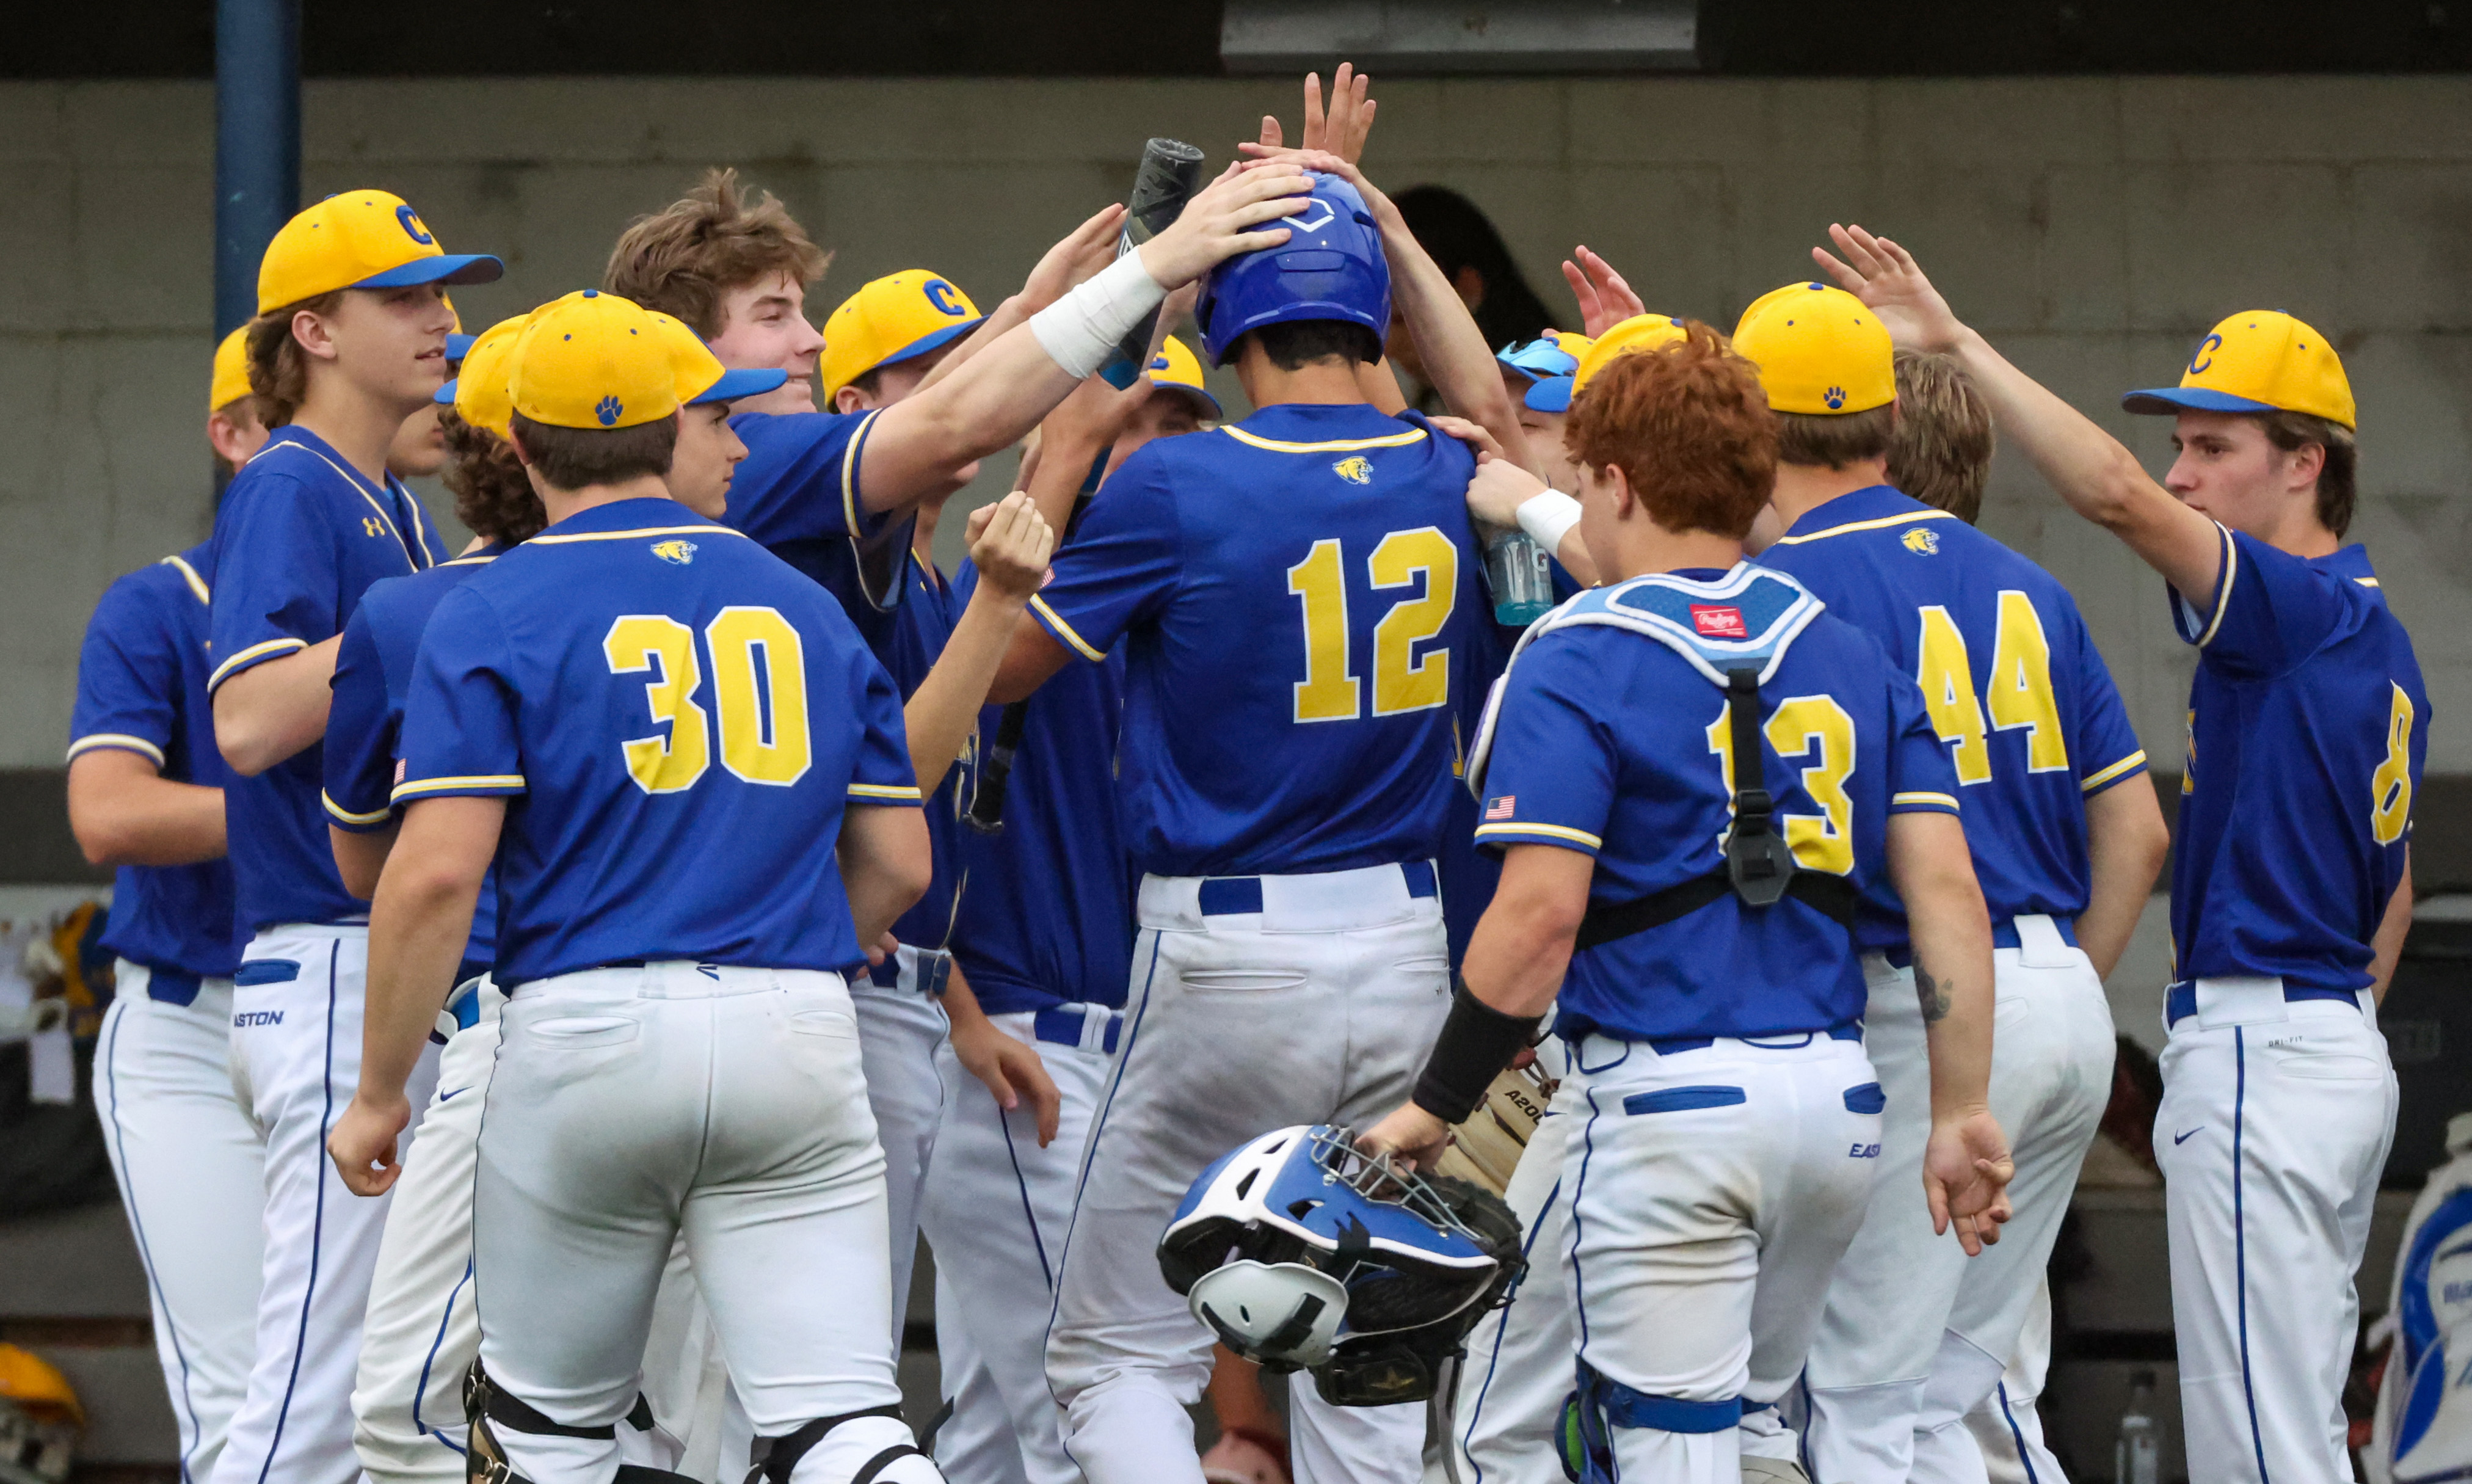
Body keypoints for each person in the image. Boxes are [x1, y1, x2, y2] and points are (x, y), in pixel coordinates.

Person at [1814, 223, 2425, 1484]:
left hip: (2265, 1043)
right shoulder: (2369, 629)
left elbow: (2106, 495)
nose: (2178, 473)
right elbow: (2397, 893)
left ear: (2305, 463)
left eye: (2213, 447)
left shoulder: (2293, 604)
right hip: (2324, 1049)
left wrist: (1959, 345)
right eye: (2176, 444)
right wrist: (2326, 1037)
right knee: (2292, 1422)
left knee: (2260, 1448)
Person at [1360, 322, 2013, 1484]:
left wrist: (1436, 1104)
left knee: (1664, 1452)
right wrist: (1961, 1104)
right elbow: (1948, 889)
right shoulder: (1851, 647)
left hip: (1670, 1102)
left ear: (1612, 480)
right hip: (1837, 1103)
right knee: (1761, 1439)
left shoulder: (1577, 645)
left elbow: (1538, 922)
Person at [327, 288, 939, 1484]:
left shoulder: (491, 603)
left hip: (579, 1030)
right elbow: (901, 864)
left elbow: (435, 873)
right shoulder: (802, 601)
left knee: (550, 1437)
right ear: (674, 427)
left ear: (515, 442)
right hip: (792, 1019)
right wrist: (805, 945)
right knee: (841, 1428)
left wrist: (377, 1092)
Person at [991, 150, 1517, 1484]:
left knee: (1113, 1348)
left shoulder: (1175, 483)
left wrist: (1138, 309)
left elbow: (998, 675)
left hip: (1223, 953)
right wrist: (1382, 212)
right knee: (1361, 1340)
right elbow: (1494, 408)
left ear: (1226, 325)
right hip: (1407, 950)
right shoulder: (1446, 464)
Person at [1734, 280, 2168, 1483]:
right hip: (2059, 1006)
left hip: (1921, 1013)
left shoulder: (1782, 591)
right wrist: (2052, 989)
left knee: (1860, 1399)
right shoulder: (2024, 581)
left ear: (1757, 426)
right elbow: (2135, 831)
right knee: (1973, 1395)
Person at [205, 189, 501, 1484]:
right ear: (313, 332)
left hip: (375, 963)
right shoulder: (293, 481)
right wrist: (435, 610)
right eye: (406, 297)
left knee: (396, 1384)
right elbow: (251, 720)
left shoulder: (392, 502)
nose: (444, 319)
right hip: (328, 963)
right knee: (317, 1401)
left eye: (444, 293)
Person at [914, 337, 1220, 1484]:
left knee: (1002, 1423)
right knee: (1086, 1400)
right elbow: (888, 825)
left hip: (1126, 1051)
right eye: (1138, 421)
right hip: (1018, 1047)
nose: (1167, 446)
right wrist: (961, 1011)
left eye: (1186, 420)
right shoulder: (1011, 595)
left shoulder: (1194, 606)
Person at [796, 267, 1061, 1344]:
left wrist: (959, 1013)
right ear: (855, 408)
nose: (968, 393)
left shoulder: (939, 577)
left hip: (909, 990)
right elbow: (879, 797)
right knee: (831, 1357)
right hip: (843, 990)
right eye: (927, 372)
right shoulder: (852, 563)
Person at [68, 330, 260, 1484]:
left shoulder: (418, 586)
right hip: (193, 1023)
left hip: (374, 1026)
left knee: (389, 1400)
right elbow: (106, 813)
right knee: (244, 1404)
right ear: (230, 437)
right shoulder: (161, 602)